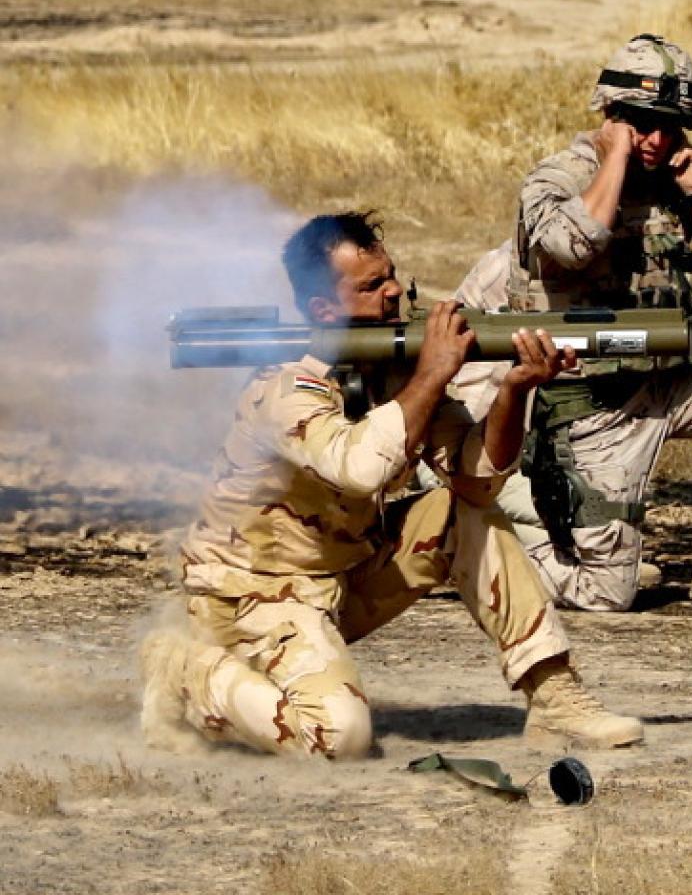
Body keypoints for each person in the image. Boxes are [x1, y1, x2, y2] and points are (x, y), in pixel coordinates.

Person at [138, 211, 643, 758]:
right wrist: (433, 373)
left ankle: (555, 701)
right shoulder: (285, 386)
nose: (394, 291)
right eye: (371, 285)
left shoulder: (394, 373)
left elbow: (474, 484)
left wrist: (516, 390)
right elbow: (361, 467)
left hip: (340, 578)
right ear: (322, 308)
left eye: (391, 276)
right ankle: (184, 672)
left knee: (458, 516)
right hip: (247, 598)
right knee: (339, 738)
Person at [453, 34, 692, 613]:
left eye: (673, 125)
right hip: (592, 406)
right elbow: (577, 244)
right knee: (607, 594)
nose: (658, 139)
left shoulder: (676, 183)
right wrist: (613, 156)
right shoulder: (555, 180)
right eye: (642, 123)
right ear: (609, 113)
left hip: (674, 381)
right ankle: (471, 548)